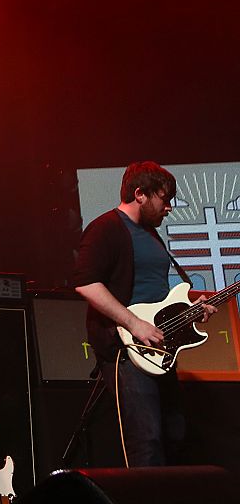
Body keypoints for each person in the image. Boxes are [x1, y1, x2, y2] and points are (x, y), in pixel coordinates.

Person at [73, 161, 216, 466]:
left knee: (174, 435)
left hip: (158, 347)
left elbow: (157, 296)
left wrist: (193, 308)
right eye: (164, 199)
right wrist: (134, 324)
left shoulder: (150, 235)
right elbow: (86, 284)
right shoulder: (106, 228)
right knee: (146, 441)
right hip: (128, 348)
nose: (169, 208)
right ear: (140, 194)